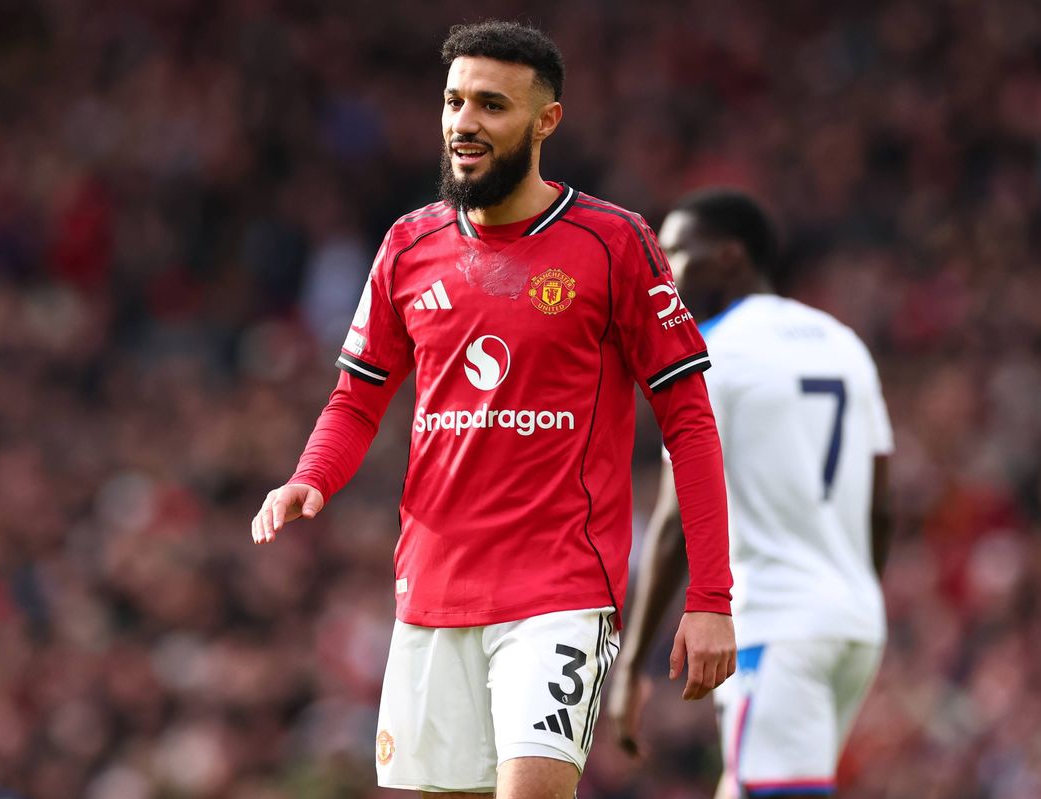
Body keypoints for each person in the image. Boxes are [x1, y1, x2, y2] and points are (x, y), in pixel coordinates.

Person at [252, 22, 735, 798]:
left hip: (560, 591)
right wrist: (311, 476)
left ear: (546, 122)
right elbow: (357, 397)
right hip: (431, 591)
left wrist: (710, 598)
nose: (463, 123)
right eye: (452, 102)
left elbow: (689, 419)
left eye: (490, 105)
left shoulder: (613, 243)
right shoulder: (409, 246)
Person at [608, 189, 895, 799]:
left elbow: (676, 520)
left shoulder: (710, 353)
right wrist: (850, 592)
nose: (667, 274)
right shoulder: (843, 344)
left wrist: (631, 665)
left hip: (779, 622)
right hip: (853, 624)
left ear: (731, 256)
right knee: (745, 783)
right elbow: (882, 507)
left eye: (679, 254)